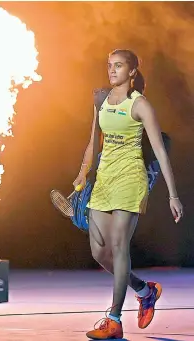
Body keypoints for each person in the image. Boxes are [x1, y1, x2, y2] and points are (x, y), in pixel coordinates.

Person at [73, 49, 183, 340]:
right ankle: (146, 291)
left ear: (132, 72)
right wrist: (83, 173)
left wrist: (173, 195)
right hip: (104, 181)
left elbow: (160, 150)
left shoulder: (140, 105)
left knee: (120, 246)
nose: (112, 70)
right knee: (100, 252)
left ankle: (114, 319)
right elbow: (93, 142)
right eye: (109, 65)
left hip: (130, 180)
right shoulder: (101, 99)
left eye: (118, 66)